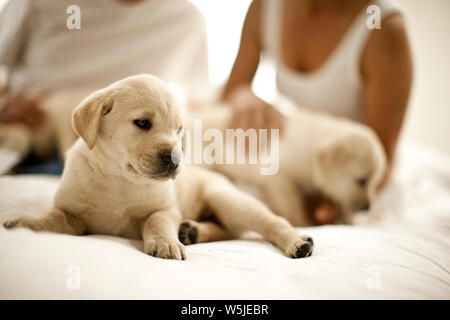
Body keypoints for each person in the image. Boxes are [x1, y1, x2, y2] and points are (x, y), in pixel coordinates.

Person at [222, 0, 413, 224]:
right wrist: (244, 98)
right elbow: (232, 91)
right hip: (298, 163)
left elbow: (382, 156)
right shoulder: (265, 6)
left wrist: (335, 203)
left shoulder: (382, 27)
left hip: (353, 180)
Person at [0, 0, 209, 173]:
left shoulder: (187, 20)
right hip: (27, 139)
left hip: (120, 160)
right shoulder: (36, 4)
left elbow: (198, 103)